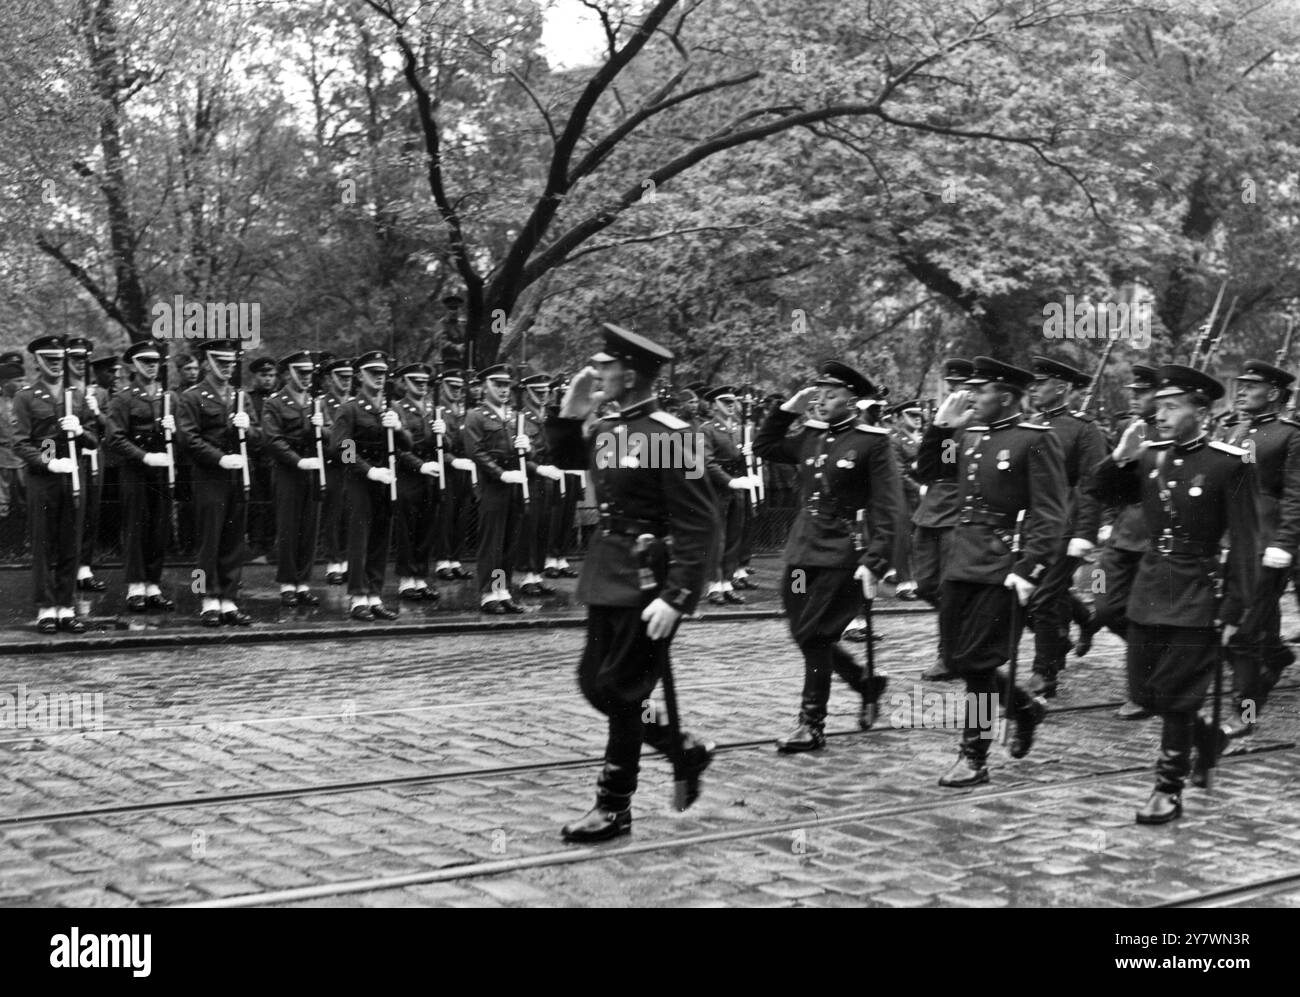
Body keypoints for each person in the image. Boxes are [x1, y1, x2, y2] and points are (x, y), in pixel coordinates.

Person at [545, 324, 716, 843]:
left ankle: (614, 806)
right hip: (607, 570)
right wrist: (570, 411)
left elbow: (700, 525)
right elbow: (568, 460)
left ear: (632, 373)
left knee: (622, 689)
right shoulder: (609, 428)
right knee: (595, 684)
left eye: (605, 366)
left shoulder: (673, 437)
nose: (597, 373)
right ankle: (677, 746)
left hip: (648, 582)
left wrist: (678, 596)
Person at [1091, 364, 1259, 824]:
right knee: (1146, 691)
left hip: (1197, 589)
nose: (1159, 415)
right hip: (1150, 583)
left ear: (1201, 411)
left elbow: (1247, 542)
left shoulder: (1231, 463)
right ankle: (1206, 737)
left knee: (1180, 695)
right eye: (1158, 406)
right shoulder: (1150, 457)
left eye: (1171, 407)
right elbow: (1100, 491)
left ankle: (1168, 787)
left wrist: (1234, 607)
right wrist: (1120, 458)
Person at [915, 356, 1068, 786]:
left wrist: (1029, 568)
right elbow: (931, 472)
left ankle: (974, 756)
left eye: (980, 391)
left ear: (1004, 396)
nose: (970, 397)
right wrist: (942, 427)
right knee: (961, 658)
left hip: (1003, 565)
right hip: (961, 559)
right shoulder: (970, 434)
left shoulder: (1035, 439)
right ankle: (1023, 707)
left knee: (978, 662)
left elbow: (1050, 513)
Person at [753, 361, 902, 750]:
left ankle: (811, 724)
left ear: (852, 400)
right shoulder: (811, 436)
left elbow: (889, 507)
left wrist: (876, 560)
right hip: (803, 549)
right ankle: (862, 679)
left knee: (816, 635)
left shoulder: (872, 442)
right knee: (801, 629)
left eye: (831, 394)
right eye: (818, 392)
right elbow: (763, 445)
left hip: (842, 551)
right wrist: (788, 408)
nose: (821, 400)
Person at [1217, 359, 1300, 735]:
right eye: (1241, 384)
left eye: (1252, 386)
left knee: (1244, 634)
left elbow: (1296, 496)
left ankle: (1245, 713)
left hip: (1266, 547)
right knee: (1239, 628)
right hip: (1230, 542)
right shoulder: (1233, 430)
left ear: (1274, 394)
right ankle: (1277, 656)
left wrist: (1283, 542)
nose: (1242, 390)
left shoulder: (1290, 435)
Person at [1024, 356, 1107, 698]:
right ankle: (1082, 620)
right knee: (1034, 595)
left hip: (1065, 527)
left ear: (1061, 388)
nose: (1033, 389)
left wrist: (1085, 534)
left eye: (1040, 383)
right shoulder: (1029, 426)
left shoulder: (1084, 430)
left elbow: (1093, 485)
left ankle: (1044, 673)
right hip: (1032, 526)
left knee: (1043, 599)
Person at [12, 336, 100, 633]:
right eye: (48, 359)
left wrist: (79, 432)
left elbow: (94, 439)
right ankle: (46, 608)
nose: (54, 364)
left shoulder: (76, 395)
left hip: (74, 477)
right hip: (44, 478)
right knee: (44, 544)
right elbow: (21, 444)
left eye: (58, 359)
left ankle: (65, 605)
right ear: (36, 361)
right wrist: (48, 461)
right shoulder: (26, 396)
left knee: (70, 544)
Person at [1090, 364, 1160, 719]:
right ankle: (1152, 658)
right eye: (1133, 391)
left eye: (1141, 392)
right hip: (1124, 533)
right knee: (1105, 608)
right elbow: (1101, 488)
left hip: (1157, 538)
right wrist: (1119, 457)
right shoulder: (1128, 429)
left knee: (1145, 616)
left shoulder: (1179, 433)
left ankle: (1143, 690)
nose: (1133, 396)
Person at [176, 339, 258, 626]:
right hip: (209, 477)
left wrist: (248, 427)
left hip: (237, 477)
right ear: (207, 363)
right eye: (221, 363)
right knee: (208, 542)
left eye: (231, 363)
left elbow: (259, 437)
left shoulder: (240, 397)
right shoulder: (192, 396)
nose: (227, 368)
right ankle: (206, 600)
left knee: (234, 542)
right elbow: (188, 438)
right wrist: (219, 458)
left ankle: (228, 599)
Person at [330, 351, 407, 620]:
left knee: (380, 541)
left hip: (385, 481)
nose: (379, 377)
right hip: (359, 482)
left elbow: (408, 445)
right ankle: (357, 597)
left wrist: (398, 428)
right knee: (359, 540)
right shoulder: (349, 409)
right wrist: (369, 470)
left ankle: (374, 595)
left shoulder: (390, 409)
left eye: (383, 373)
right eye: (373, 373)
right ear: (359, 376)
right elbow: (341, 446)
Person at [912, 359, 974, 680]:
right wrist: (940, 428)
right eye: (950, 385)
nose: (953, 391)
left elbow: (954, 468)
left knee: (950, 591)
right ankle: (961, 632)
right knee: (924, 586)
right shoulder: (946, 422)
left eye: (960, 385)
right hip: (933, 510)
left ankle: (949, 653)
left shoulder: (978, 424)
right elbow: (926, 469)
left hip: (959, 514)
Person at [105, 341, 176, 612]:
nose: (151, 366)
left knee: (159, 525)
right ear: (133, 365)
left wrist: (174, 429)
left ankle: (153, 584)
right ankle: (136, 585)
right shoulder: (123, 398)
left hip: (162, 468)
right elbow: (115, 438)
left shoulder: (167, 397)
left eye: (155, 361)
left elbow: (183, 438)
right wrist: (143, 456)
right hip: (135, 468)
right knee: (136, 524)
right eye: (145, 361)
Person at [262, 351, 327, 609]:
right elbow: (272, 439)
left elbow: (334, 438)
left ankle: (303, 583)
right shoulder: (275, 403)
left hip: (313, 472)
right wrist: (297, 460)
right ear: (288, 373)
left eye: (309, 373)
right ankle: (288, 584)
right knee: (289, 529)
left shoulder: (316, 404)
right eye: (300, 373)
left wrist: (322, 427)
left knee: (309, 529)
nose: (305, 378)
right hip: (288, 472)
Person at [463, 364, 530, 614]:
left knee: (508, 542)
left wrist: (526, 446)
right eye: (497, 384)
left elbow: (520, 450)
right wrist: (501, 474)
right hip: (492, 484)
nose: (503, 390)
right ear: (484, 387)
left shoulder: (513, 417)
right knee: (492, 541)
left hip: (513, 484)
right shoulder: (476, 416)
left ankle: (502, 590)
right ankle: (488, 593)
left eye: (506, 385)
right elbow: (476, 451)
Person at [391, 361, 445, 602]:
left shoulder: (433, 409)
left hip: (430, 477)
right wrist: (419, 465)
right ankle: (406, 580)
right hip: (408, 476)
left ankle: (420, 578)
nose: (422, 386)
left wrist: (443, 434)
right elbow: (398, 449)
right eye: (416, 382)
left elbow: (446, 447)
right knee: (407, 529)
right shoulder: (397, 408)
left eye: (425, 383)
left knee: (426, 529)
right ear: (404, 383)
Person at [700, 386, 759, 604]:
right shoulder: (707, 430)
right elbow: (707, 462)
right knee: (718, 538)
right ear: (714, 405)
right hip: (719, 488)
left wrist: (747, 458)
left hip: (738, 487)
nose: (731, 405)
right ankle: (714, 586)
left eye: (733, 402)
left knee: (734, 536)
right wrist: (730, 481)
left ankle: (726, 583)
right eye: (725, 402)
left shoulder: (737, 429)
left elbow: (740, 458)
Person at [512, 372, 565, 596]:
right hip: (531, 479)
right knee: (529, 528)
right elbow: (521, 456)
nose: (544, 396)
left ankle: (537, 574)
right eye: (539, 392)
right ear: (528, 393)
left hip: (549, 478)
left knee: (544, 527)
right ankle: (526, 577)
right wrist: (539, 468)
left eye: (546, 392)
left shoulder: (549, 418)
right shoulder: (521, 419)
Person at [432, 355, 475, 581]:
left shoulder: (465, 413)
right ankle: (443, 560)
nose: (457, 391)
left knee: (462, 515)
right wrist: (452, 460)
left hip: (465, 470)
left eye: (460, 387)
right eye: (452, 387)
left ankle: (455, 559)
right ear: (443, 387)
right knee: (446, 516)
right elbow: (436, 446)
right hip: (447, 470)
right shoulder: (438, 413)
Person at [319, 356, 353, 584]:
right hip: (332, 465)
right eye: (341, 377)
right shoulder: (321, 403)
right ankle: (333, 562)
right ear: (330, 379)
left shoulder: (354, 403)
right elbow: (327, 435)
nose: (345, 382)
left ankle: (347, 560)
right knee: (333, 514)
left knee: (350, 514)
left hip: (352, 466)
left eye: (349, 377)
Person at [245, 356, 278, 562]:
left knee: (275, 502)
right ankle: (256, 544)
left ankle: (272, 544)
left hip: (276, 459)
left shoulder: (280, 399)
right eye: (264, 375)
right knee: (256, 503)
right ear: (255, 376)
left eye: (272, 375)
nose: (268, 379)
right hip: (256, 458)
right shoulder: (248, 399)